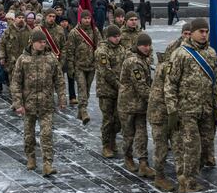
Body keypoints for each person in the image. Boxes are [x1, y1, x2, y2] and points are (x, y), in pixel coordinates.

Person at [165, 18, 217, 193]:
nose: (204, 35)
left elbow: (215, 83)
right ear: (193, 32)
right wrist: (172, 111)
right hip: (186, 110)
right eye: (200, 31)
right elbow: (170, 84)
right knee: (191, 147)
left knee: (205, 147)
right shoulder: (181, 54)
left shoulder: (211, 53)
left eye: (206, 31)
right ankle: (187, 182)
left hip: (206, 109)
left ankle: (190, 176)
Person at [11, 29, 67, 176]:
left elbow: (59, 80)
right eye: (39, 42)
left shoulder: (51, 59)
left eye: (44, 42)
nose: (42, 44)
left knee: (47, 134)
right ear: (32, 42)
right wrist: (18, 104)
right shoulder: (23, 59)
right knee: (29, 134)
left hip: (46, 104)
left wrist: (62, 98)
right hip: (28, 104)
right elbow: (16, 83)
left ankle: (48, 163)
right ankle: (30, 157)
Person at [149, 23, 190, 192]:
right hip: (160, 112)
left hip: (174, 111)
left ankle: (183, 180)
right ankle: (159, 177)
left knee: (179, 146)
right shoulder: (166, 68)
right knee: (161, 147)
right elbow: (166, 91)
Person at [119, 32, 155, 178]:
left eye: (148, 45)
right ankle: (128, 157)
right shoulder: (134, 61)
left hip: (140, 105)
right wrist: (155, 99)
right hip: (128, 104)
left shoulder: (143, 59)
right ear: (137, 46)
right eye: (143, 45)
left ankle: (143, 163)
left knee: (142, 134)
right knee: (128, 134)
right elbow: (141, 86)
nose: (147, 48)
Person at [94, 25, 125, 158]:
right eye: (115, 36)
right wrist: (119, 85)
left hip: (119, 89)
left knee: (118, 119)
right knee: (108, 119)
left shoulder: (121, 49)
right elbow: (106, 71)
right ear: (108, 37)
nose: (117, 39)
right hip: (106, 90)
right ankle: (106, 145)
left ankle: (112, 139)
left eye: (119, 36)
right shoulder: (102, 51)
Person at [66, 10, 101, 124]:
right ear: (80, 19)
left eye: (89, 18)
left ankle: (80, 111)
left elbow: (100, 46)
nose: (87, 20)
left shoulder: (95, 31)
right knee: (82, 88)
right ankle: (84, 110)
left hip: (91, 66)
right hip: (79, 66)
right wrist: (70, 67)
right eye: (85, 18)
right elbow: (70, 51)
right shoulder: (74, 33)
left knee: (87, 89)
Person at [0, 11, 32, 102]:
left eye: (23, 18)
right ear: (15, 19)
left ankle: (24, 101)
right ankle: (15, 102)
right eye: (19, 18)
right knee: (13, 83)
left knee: (25, 82)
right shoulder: (9, 30)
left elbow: (33, 45)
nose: (21, 19)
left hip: (25, 61)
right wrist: (2, 57)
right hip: (12, 61)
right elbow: (2, 44)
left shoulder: (28, 30)